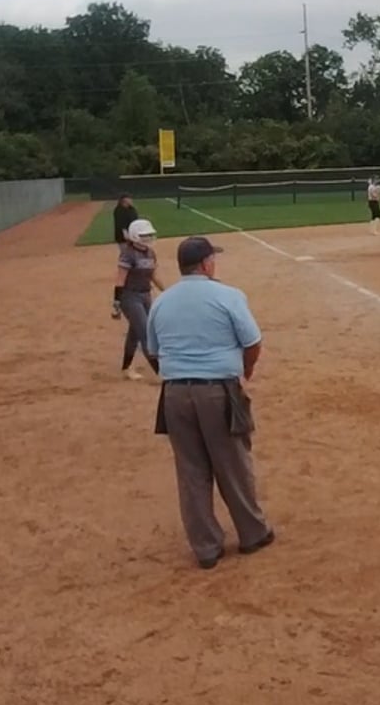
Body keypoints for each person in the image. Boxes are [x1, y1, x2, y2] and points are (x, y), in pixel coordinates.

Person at [144, 236, 273, 570]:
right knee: (233, 463)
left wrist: (175, 374)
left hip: (174, 394)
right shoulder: (228, 295)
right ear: (205, 264)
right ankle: (252, 532)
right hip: (217, 389)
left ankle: (206, 547)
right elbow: (252, 342)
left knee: (191, 470)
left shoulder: (162, 301)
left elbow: (153, 350)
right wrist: (245, 371)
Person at [115, 218, 166, 381]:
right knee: (146, 333)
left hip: (145, 295)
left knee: (135, 332)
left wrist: (167, 292)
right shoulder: (128, 254)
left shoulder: (150, 253)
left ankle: (126, 367)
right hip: (130, 296)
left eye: (149, 235)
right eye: (145, 236)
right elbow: (120, 279)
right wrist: (116, 302)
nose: (148, 238)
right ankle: (162, 374)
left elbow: (153, 276)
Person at [111, 194, 139, 318]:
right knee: (125, 255)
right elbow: (121, 225)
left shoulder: (132, 209)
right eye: (129, 199)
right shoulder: (119, 211)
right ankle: (125, 271)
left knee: (132, 254)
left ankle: (131, 270)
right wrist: (126, 235)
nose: (131, 201)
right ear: (123, 201)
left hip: (133, 236)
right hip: (123, 238)